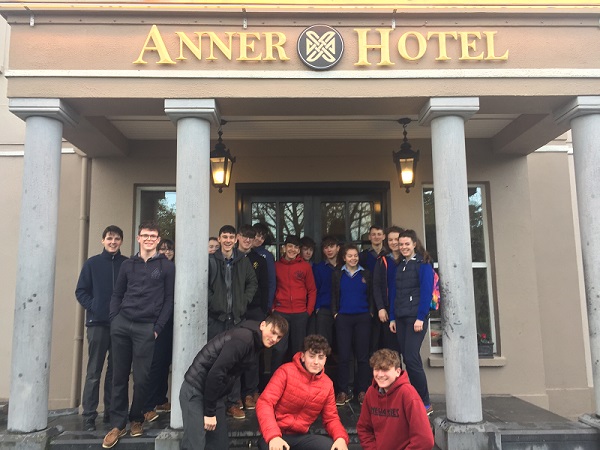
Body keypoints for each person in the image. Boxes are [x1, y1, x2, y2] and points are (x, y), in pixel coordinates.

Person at [102, 221, 175, 449]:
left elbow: (169, 300)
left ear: (158, 239)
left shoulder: (166, 267)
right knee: (119, 377)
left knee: (143, 378)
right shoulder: (128, 265)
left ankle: (136, 418)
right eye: (146, 235)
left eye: (153, 236)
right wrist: (115, 319)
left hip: (147, 327)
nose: (149, 239)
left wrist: (157, 327)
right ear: (138, 238)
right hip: (122, 325)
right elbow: (117, 293)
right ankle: (117, 424)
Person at [180, 314, 289, 450]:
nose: (274, 339)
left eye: (279, 337)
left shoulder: (255, 342)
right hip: (195, 391)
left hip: (214, 394)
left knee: (219, 445)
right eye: (273, 332)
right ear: (262, 325)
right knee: (194, 445)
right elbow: (216, 373)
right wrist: (209, 413)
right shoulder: (244, 339)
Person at [75, 225, 128, 432]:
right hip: (97, 324)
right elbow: (81, 291)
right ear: (103, 240)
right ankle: (89, 415)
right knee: (94, 371)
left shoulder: (126, 264)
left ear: (121, 241)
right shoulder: (92, 264)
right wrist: (95, 306)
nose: (113, 242)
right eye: (109, 238)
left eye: (116, 238)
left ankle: (111, 412)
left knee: (115, 372)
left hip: (120, 325)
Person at [256, 335, 349, 450]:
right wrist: (273, 436)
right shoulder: (285, 372)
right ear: (303, 356)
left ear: (325, 359)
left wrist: (340, 437)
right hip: (275, 434)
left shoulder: (327, 384)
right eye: (311, 356)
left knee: (332, 447)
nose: (316, 362)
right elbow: (265, 403)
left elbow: (331, 418)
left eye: (320, 357)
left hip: (301, 436)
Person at [208, 224, 258, 419]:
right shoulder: (211, 261)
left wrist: (243, 301)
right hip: (217, 318)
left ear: (235, 239)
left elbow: (252, 283)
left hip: (236, 319)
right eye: (224, 237)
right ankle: (216, 402)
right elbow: (204, 285)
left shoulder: (242, 261)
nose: (228, 240)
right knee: (216, 361)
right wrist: (214, 302)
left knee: (234, 362)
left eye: (231, 237)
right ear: (219, 239)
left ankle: (233, 401)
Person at [388, 229, 434, 415]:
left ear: (414, 244)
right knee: (405, 358)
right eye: (401, 244)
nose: (404, 247)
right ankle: (411, 398)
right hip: (400, 318)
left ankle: (425, 401)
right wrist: (392, 317)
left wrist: (420, 317)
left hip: (416, 318)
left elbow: (426, 293)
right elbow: (394, 294)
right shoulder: (399, 265)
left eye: (407, 244)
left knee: (411, 357)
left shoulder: (423, 265)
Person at [357, 349, 434, 450]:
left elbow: (425, 439)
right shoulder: (371, 393)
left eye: (385, 370)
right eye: (376, 369)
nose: (380, 375)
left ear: (398, 372)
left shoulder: (408, 395)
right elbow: (364, 429)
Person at [331, 244, 374, 407]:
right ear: (344, 258)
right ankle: (343, 391)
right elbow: (334, 295)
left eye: (355, 255)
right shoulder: (337, 274)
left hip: (363, 317)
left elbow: (371, 295)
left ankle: (362, 390)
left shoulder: (366, 273)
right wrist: (336, 313)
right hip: (343, 318)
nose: (353, 258)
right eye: (350, 256)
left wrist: (370, 312)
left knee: (362, 356)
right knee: (344, 355)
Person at [235, 224, 269, 412]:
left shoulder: (259, 260)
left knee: (253, 354)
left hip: (255, 311)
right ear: (238, 237)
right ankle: (236, 395)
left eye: (250, 237)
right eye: (244, 236)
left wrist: (263, 311)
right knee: (236, 352)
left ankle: (250, 392)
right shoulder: (230, 257)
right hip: (235, 313)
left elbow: (264, 287)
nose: (247, 240)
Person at [271, 235, 317, 373]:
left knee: (298, 351)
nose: (292, 249)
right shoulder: (276, 266)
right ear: (284, 248)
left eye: (296, 247)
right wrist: (273, 308)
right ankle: (275, 382)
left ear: (298, 250)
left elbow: (312, 290)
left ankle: (297, 383)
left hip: (299, 313)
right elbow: (271, 287)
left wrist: (308, 311)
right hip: (281, 313)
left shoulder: (305, 267)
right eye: (289, 246)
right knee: (279, 349)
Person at [142, 239, 175, 422]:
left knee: (164, 363)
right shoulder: (153, 270)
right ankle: (147, 406)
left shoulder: (175, 269)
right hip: (156, 322)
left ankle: (161, 400)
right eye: (163, 249)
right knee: (154, 365)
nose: (166, 252)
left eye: (169, 249)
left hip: (173, 322)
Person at [372, 226, 404, 354]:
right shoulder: (382, 260)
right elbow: (376, 285)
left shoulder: (409, 259)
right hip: (388, 309)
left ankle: (403, 375)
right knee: (392, 350)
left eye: (397, 239)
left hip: (406, 309)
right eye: (390, 240)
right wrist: (380, 308)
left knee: (408, 352)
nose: (394, 242)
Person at [308, 235, 340, 346]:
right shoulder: (318, 268)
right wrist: (317, 307)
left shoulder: (344, 267)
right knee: (323, 343)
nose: (329, 250)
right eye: (326, 247)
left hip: (342, 308)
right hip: (324, 309)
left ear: (338, 248)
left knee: (343, 341)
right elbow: (314, 289)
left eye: (331, 246)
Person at [252, 222, 276, 309]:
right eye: (258, 235)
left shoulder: (267, 256)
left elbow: (271, 281)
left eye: (262, 238)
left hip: (259, 303)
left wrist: (268, 304)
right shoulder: (241, 252)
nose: (259, 239)